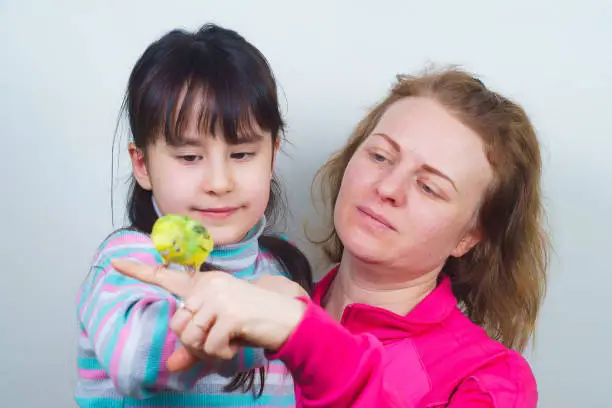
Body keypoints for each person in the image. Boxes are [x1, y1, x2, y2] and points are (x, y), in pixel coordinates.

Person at [113, 66, 549, 407]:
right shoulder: (255, 293)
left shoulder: (492, 379)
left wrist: (301, 336)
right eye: (380, 156)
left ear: (469, 236)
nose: (387, 188)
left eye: (429, 186)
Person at [75, 23, 313, 407]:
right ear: (142, 165)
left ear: (272, 155)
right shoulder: (129, 261)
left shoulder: (280, 267)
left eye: (242, 154)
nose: (219, 182)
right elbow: (136, 360)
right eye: (189, 157)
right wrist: (258, 321)